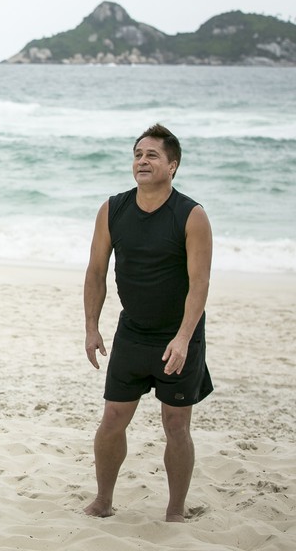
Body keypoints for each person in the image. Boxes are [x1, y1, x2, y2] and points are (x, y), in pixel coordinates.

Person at [83, 123, 213, 523]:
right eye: (138, 154)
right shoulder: (113, 208)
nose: (142, 160)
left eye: (152, 155)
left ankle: (176, 510)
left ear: (172, 165)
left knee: (176, 424)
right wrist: (92, 327)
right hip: (133, 333)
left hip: (178, 337)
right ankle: (104, 500)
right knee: (112, 420)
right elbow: (95, 272)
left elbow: (200, 283)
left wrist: (183, 338)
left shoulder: (191, 215)